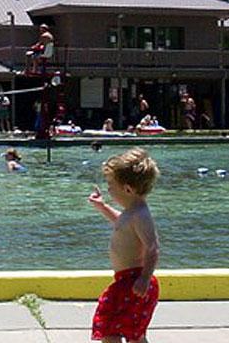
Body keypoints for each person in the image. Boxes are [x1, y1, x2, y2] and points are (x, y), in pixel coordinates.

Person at [87, 147, 161, 343]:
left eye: (111, 186)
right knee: (113, 327)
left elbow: (153, 248)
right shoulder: (131, 211)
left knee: (127, 332)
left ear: (128, 189)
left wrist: (145, 278)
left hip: (135, 281)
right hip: (125, 281)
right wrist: (102, 206)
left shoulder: (141, 214)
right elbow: (120, 222)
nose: (109, 190)